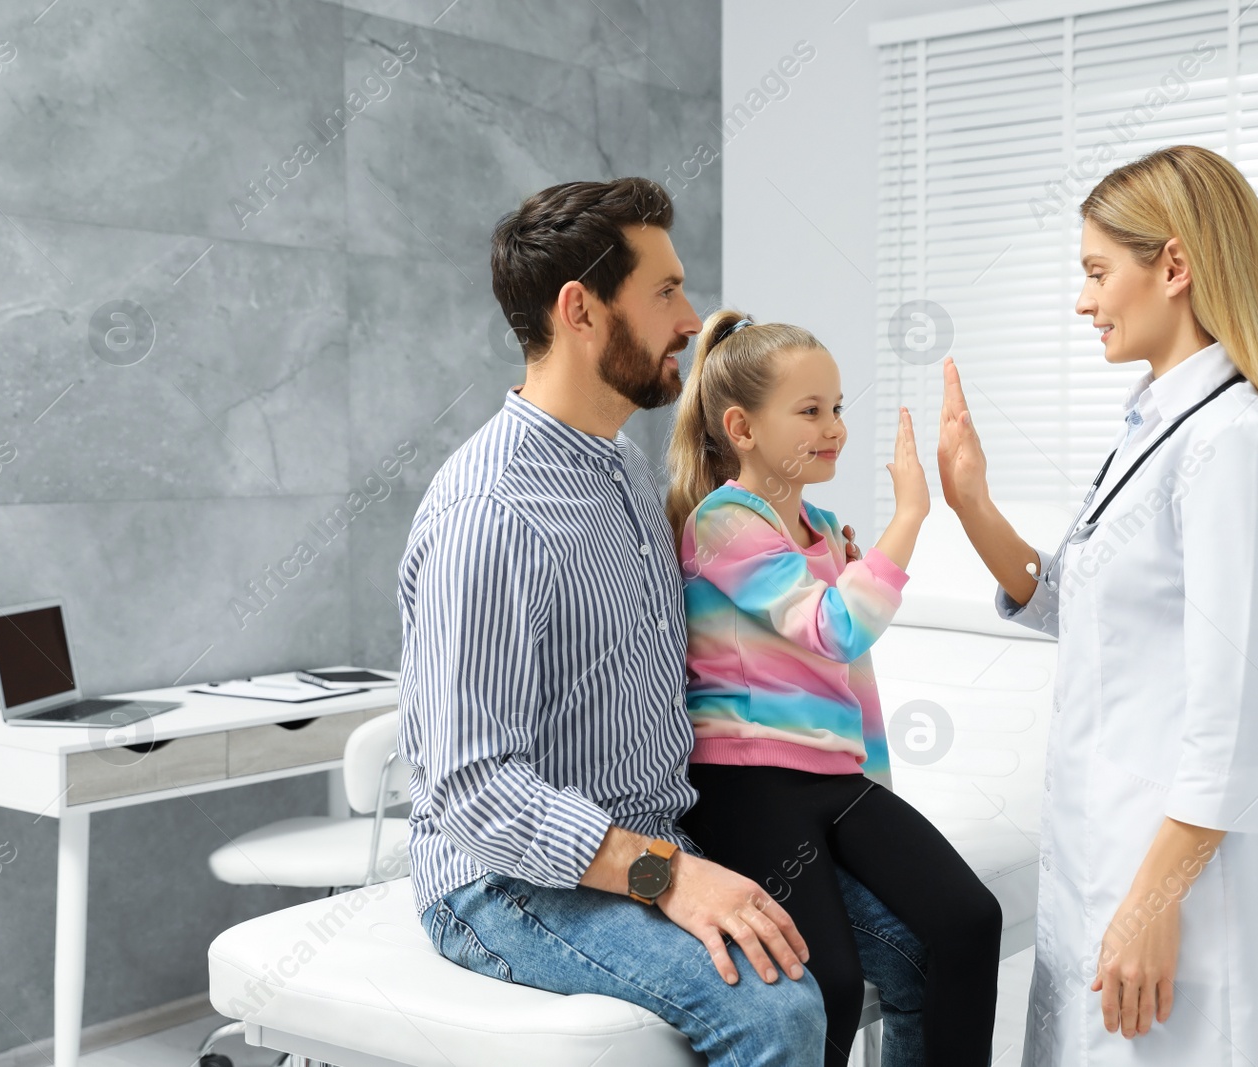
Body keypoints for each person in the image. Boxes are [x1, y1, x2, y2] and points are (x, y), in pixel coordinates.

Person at [397, 176, 931, 1067]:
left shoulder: (622, 476)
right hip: (510, 880)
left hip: (658, 833)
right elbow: (475, 792)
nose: (692, 318)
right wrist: (668, 876)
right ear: (581, 311)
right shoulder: (492, 512)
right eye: (665, 292)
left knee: (925, 942)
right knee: (776, 1012)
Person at [934, 144, 1258, 1065]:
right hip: (1112, 856)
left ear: (1176, 266)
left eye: (1099, 272)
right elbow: (1072, 600)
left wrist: (1152, 902)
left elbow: (1239, 714)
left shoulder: (1235, 445)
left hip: (1185, 886)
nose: (1084, 301)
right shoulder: (1158, 428)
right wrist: (972, 505)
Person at [667, 309, 1004, 1067]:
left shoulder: (820, 527)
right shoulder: (724, 524)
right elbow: (835, 629)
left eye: (839, 408)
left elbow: (853, 676)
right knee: (834, 986)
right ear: (742, 428)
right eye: (810, 410)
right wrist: (911, 515)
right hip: (747, 783)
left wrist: (874, 790)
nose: (834, 427)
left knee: (969, 918)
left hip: (833, 780)